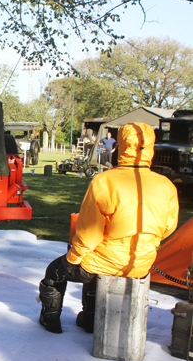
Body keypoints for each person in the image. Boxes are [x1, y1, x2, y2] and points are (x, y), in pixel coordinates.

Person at [38, 122, 179, 334]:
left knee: (57, 271)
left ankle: (51, 321)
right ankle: (90, 317)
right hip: (140, 264)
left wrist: (73, 258)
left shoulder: (105, 181)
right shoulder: (166, 185)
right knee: (92, 263)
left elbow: (89, 232)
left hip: (104, 262)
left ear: (121, 146)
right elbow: (169, 227)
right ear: (150, 147)